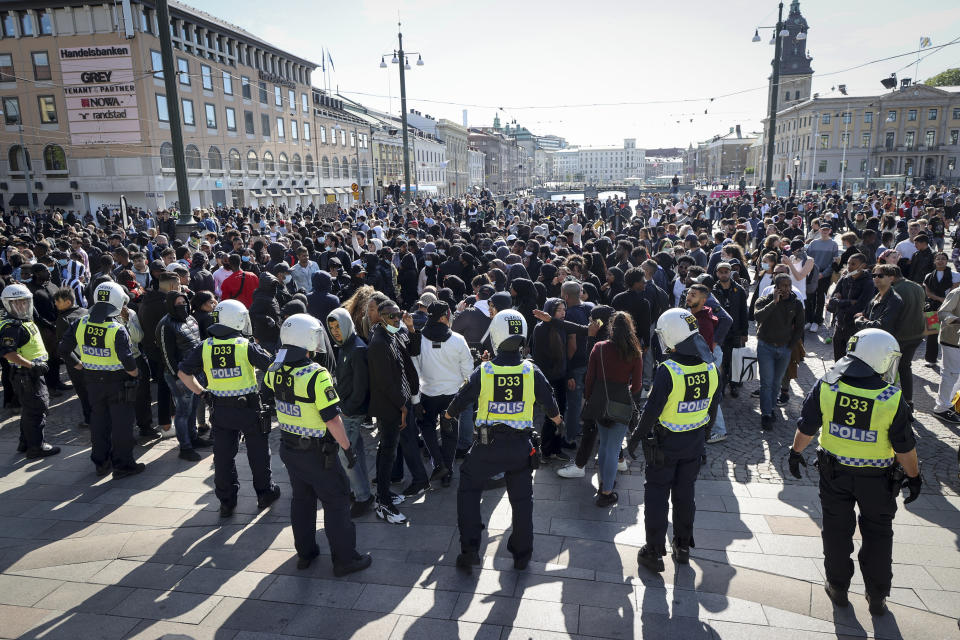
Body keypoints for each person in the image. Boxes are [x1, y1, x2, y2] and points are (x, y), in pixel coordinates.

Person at [788, 329, 921, 616]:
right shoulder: (891, 397)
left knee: (836, 532)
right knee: (878, 535)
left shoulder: (828, 386)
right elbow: (904, 448)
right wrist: (914, 476)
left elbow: (806, 427)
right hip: (878, 479)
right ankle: (877, 596)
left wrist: (796, 452)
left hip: (834, 473)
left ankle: (837, 588)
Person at [444, 309, 563, 574]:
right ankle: (522, 554)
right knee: (522, 501)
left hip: (486, 447)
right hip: (521, 447)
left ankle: (470, 549)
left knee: (468, 491)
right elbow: (550, 405)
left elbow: (461, 401)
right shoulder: (531, 370)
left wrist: (448, 415)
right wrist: (558, 423)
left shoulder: (484, 370)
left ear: (496, 336)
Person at [263, 314, 372, 576]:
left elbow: (268, 393)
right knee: (337, 501)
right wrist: (347, 448)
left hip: (289, 448)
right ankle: (345, 560)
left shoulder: (273, 369)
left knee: (301, 500)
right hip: (317, 452)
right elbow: (333, 419)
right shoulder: (316, 374)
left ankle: (306, 553)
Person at [628, 308, 719, 572]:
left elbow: (652, 411)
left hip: (665, 445)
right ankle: (682, 546)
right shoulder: (711, 366)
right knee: (685, 496)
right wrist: (704, 434)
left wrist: (634, 439)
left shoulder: (669, 370)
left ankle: (654, 551)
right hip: (694, 441)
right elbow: (713, 408)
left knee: (656, 496)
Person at [177, 300, 281, 517]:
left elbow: (183, 373)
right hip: (249, 408)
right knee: (259, 454)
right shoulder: (245, 345)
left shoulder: (205, 346)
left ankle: (226, 501)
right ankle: (264, 494)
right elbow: (272, 367)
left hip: (220, 410)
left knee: (223, 457)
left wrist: (202, 392)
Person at [58, 282, 142, 477]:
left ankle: (101, 462)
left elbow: (63, 349)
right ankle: (123, 465)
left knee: (99, 421)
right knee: (122, 424)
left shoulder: (81, 323)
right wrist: (135, 374)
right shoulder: (116, 329)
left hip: (92, 380)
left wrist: (79, 365)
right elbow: (128, 361)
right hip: (118, 382)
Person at [367, 299, 425, 524]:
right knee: (388, 452)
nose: (396, 319)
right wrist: (402, 407)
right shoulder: (379, 342)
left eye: (398, 315)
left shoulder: (395, 333)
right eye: (391, 316)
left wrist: (410, 328)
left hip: (400, 400)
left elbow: (414, 349)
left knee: (388, 450)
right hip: (391, 406)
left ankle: (384, 493)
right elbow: (384, 382)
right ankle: (383, 502)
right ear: (381, 317)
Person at [584, 311, 644, 506]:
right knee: (613, 447)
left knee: (604, 445)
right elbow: (637, 386)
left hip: (600, 400)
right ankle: (607, 491)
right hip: (621, 402)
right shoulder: (635, 352)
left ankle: (604, 484)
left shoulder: (599, 348)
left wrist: (589, 398)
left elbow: (589, 379)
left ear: (610, 328)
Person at [411, 301, 474, 488]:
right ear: (444, 317)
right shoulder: (458, 339)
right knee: (450, 433)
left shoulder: (419, 339)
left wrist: (415, 400)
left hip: (428, 393)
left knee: (426, 426)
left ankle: (439, 463)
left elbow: (414, 371)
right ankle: (447, 471)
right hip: (453, 395)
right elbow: (468, 371)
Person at [0, 284, 59, 459]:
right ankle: (36, 447)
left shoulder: (23, 320)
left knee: (29, 409)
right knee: (37, 409)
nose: (22, 306)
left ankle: (25, 442)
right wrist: (31, 366)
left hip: (30, 373)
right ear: (8, 304)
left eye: (25, 302)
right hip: (27, 375)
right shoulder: (12, 326)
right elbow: (8, 353)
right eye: (17, 303)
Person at [326, 308, 375, 517]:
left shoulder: (356, 349)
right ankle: (361, 492)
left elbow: (361, 387)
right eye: (332, 328)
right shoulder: (345, 346)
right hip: (347, 409)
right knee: (356, 453)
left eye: (338, 327)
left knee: (346, 456)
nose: (335, 332)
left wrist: (346, 410)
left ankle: (363, 497)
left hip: (351, 413)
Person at [157, 289, 212, 461]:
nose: (183, 306)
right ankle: (185, 446)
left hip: (196, 372)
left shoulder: (191, 319)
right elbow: (167, 355)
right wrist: (177, 376)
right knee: (182, 411)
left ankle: (193, 437)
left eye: (185, 302)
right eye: (179, 304)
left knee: (193, 408)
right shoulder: (166, 325)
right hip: (180, 375)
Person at [754, 274, 805, 430]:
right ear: (776, 287)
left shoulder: (796, 303)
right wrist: (774, 303)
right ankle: (766, 414)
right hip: (766, 347)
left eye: (788, 285)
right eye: (783, 286)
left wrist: (790, 346)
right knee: (766, 383)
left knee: (777, 383)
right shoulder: (764, 300)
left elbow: (800, 326)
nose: (786, 289)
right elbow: (758, 316)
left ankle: (770, 408)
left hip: (784, 348)